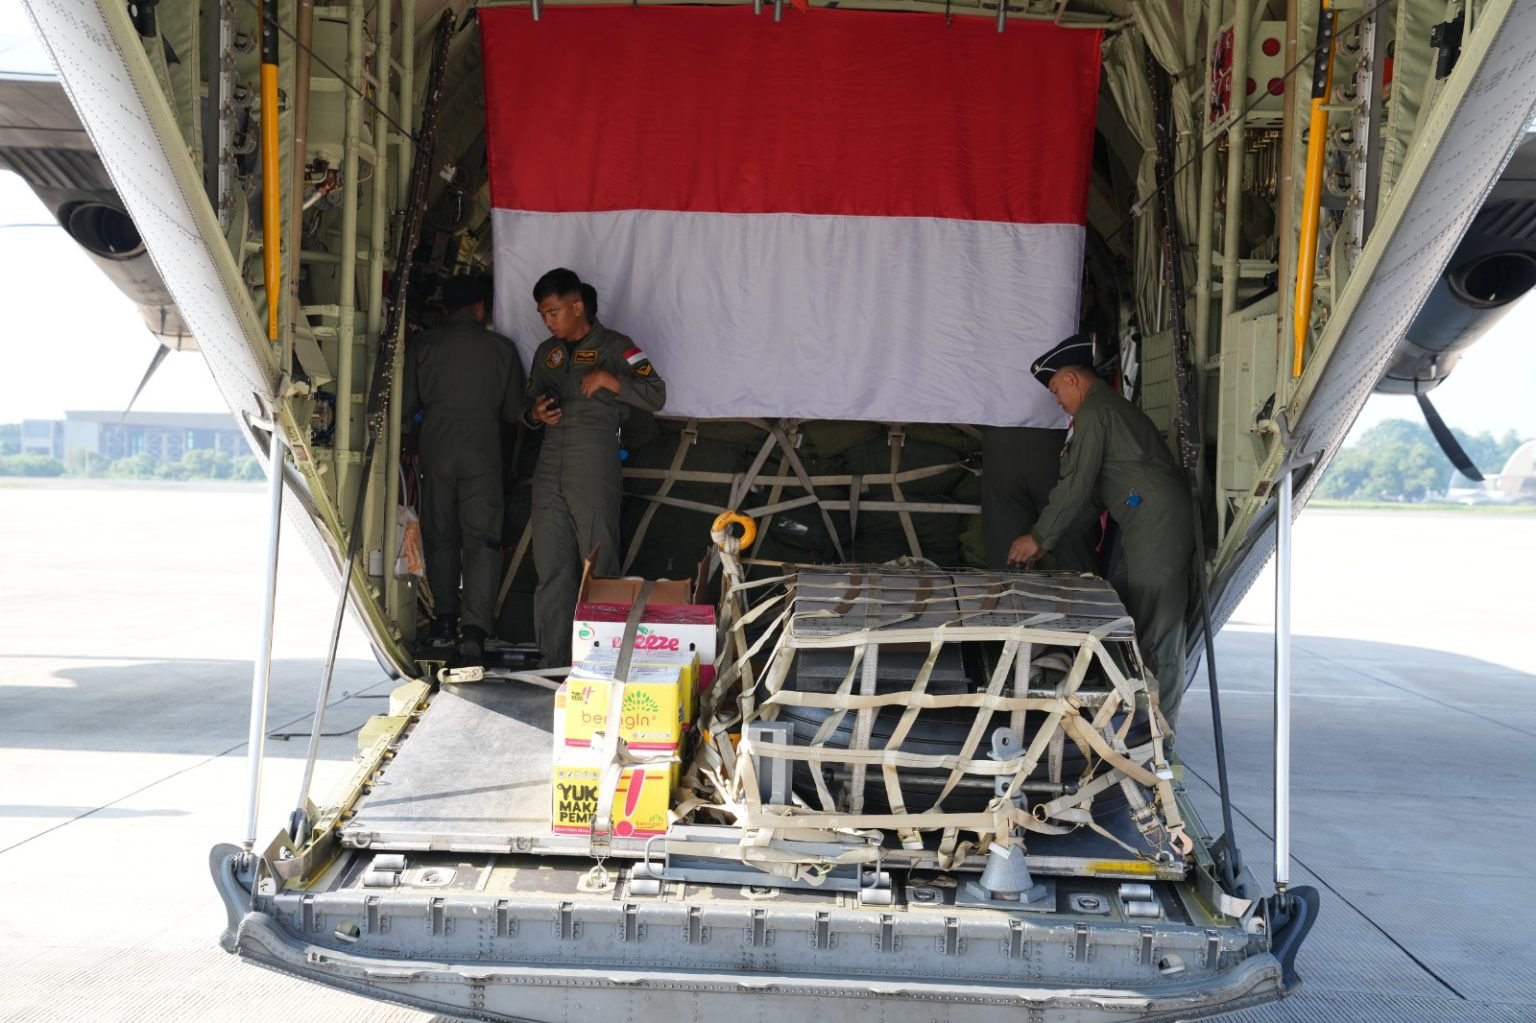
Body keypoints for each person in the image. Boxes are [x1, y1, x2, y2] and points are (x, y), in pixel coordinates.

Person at [1006, 335, 1195, 726]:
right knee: (1130, 618)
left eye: (1056, 390)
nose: (1058, 401)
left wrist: (1039, 538)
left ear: (1072, 379)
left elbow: (1076, 487)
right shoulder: (1104, 410)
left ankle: (1162, 736)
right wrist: (1047, 542)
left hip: (1156, 522)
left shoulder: (1095, 413)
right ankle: (1133, 728)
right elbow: (1091, 498)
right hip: (1143, 520)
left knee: (1158, 632)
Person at [523, 269, 666, 667]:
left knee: (600, 565)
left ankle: (603, 662)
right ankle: (553, 661)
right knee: (551, 567)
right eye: (542, 314)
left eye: (553, 312)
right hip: (550, 462)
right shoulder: (547, 353)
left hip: (594, 460)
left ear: (577, 307)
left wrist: (610, 380)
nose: (547, 321)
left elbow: (656, 393)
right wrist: (535, 413)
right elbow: (525, 404)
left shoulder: (616, 347)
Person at [402, 274, 525, 665]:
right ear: (480, 308)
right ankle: (474, 629)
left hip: (436, 449)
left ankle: (444, 618)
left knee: (440, 534)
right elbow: (514, 411)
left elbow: (406, 404)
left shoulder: (423, 345)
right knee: (482, 540)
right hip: (482, 450)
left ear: (446, 309)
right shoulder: (502, 349)